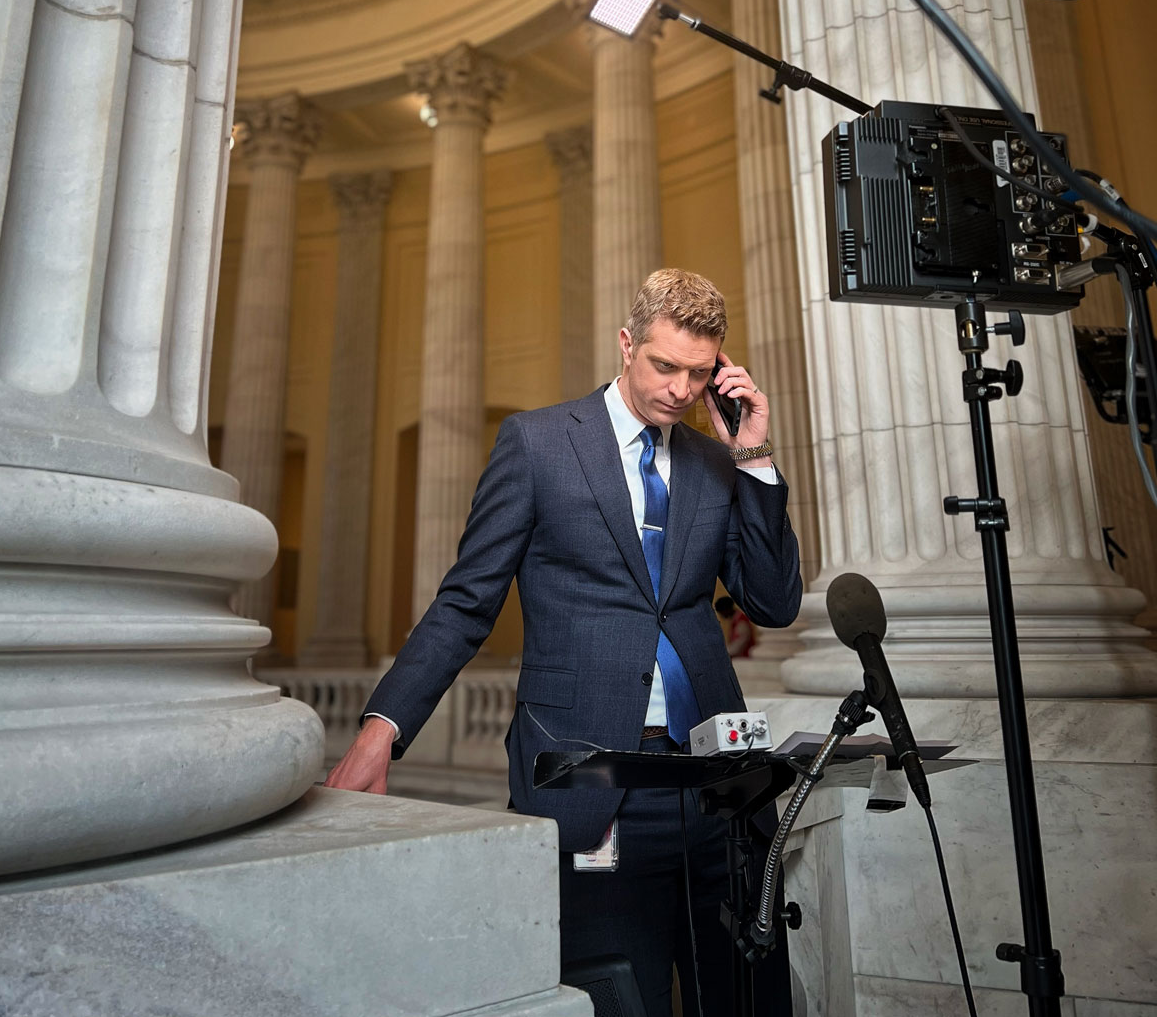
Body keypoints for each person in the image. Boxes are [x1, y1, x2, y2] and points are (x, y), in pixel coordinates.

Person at [326, 268, 801, 1016]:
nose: (681, 389)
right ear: (626, 344)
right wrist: (381, 732)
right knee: (618, 998)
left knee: (746, 998)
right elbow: (466, 602)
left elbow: (773, 602)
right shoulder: (538, 444)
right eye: (665, 366)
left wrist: (754, 456)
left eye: (700, 373)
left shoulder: (717, 460)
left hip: (718, 790)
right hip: (592, 784)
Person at [714, 594, 756, 659]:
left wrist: (724, 653)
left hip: (744, 659)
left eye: (721, 612)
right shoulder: (735, 621)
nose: (721, 615)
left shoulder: (741, 622)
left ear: (727, 609)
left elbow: (739, 645)